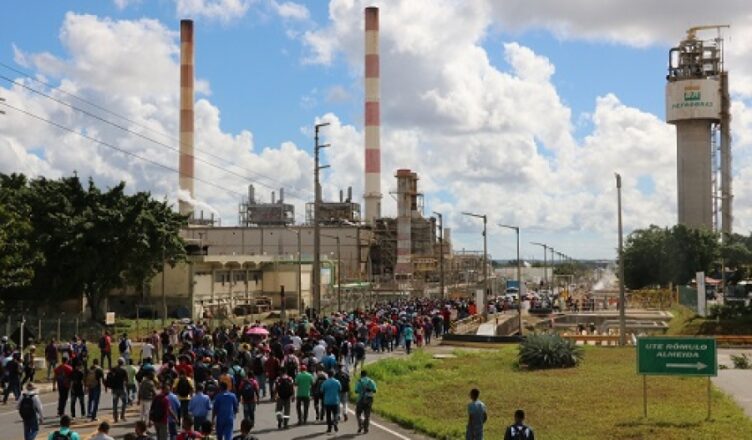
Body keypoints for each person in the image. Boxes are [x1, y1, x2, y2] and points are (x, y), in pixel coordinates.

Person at [107, 358, 128, 423]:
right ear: (123, 363)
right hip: (121, 389)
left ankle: (115, 418)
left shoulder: (113, 369)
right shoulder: (123, 370)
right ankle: (122, 415)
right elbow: (126, 380)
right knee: (124, 402)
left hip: (114, 389)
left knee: (115, 404)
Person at [355, 370, 377, 434]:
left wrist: (361, 391)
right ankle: (366, 429)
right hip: (369, 400)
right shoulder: (371, 381)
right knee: (367, 415)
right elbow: (375, 390)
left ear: (361, 375)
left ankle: (360, 424)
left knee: (358, 413)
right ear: (366, 375)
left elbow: (356, 391)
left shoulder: (359, 381)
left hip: (360, 399)